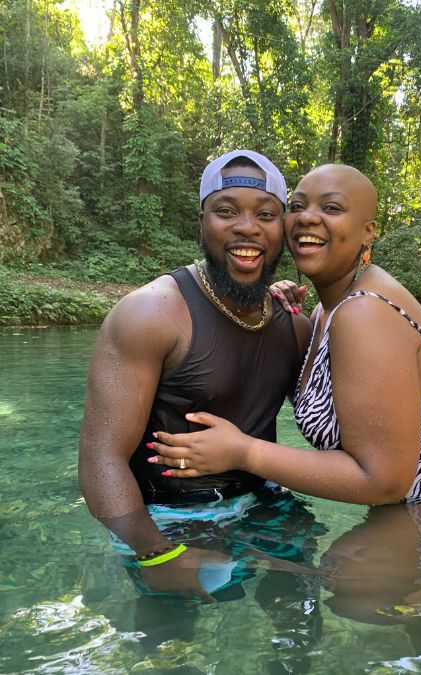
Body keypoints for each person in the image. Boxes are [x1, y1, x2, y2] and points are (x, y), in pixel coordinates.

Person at [148, 163, 421, 506]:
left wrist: (243, 452)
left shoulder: (362, 312)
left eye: (332, 208)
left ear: (367, 232)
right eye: (299, 206)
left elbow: (383, 481)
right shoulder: (326, 310)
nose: (307, 217)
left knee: (350, 582)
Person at [78, 149, 314, 596]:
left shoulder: (295, 325)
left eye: (265, 214)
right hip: (166, 518)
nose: (247, 227)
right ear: (201, 220)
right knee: (166, 639)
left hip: (265, 504)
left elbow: (338, 415)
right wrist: (155, 554)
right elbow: (100, 458)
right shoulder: (150, 314)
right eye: (226, 211)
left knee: (303, 616)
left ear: (283, 228)